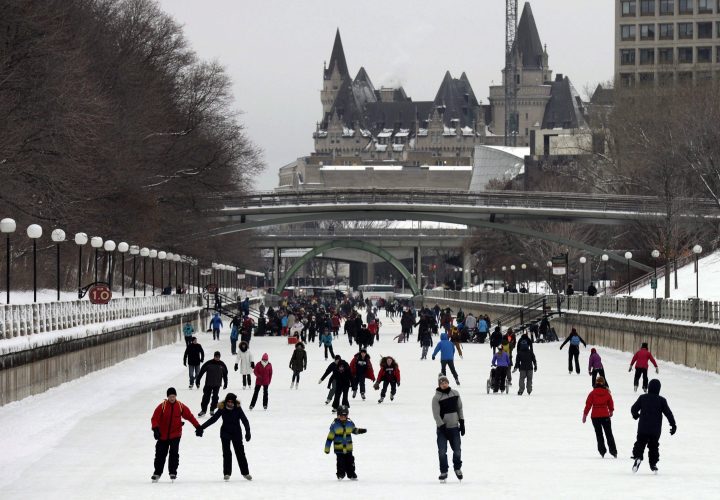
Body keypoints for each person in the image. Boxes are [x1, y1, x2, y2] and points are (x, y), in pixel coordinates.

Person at [197, 392, 252, 481]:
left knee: (240, 453)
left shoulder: (238, 408)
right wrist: (201, 427)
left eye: (231, 402)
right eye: (228, 402)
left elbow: (245, 420)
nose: (230, 403)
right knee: (226, 453)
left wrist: (248, 432)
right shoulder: (222, 408)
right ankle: (227, 473)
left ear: (234, 402)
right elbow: (213, 419)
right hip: (225, 433)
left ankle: (245, 473)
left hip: (236, 432)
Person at [150, 387, 201, 482]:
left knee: (174, 453)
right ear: (167, 397)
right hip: (163, 435)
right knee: (160, 454)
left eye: (173, 396)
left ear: (176, 396)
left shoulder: (180, 406)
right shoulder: (162, 406)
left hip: (175, 434)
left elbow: (189, 416)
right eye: (170, 396)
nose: (172, 398)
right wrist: (155, 429)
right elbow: (154, 418)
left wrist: (198, 426)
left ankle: (173, 472)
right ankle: (157, 473)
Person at [631, 379, 676, 473]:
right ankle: (653, 464)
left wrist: (635, 415)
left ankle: (638, 457)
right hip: (655, 430)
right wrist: (673, 425)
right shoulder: (662, 400)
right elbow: (668, 413)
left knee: (640, 443)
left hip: (643, 428)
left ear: (649, 387)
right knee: (653, 446)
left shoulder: (643, 397)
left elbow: (633, 409)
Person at [432, 374, 464, 482]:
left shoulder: (455, 393)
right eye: (441, 383)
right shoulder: (436, 398)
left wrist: (462, 422)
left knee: (457, 450)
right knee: (442, 451)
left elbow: (459, 408)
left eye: (445, 382)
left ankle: (457, 468)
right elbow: (436, 415)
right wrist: (442, 426)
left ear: (448, 383)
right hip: (442, 430)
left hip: (454, 427)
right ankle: (443, 471)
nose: (444, 384)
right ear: (439, 385)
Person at [324, 405, 367, 480]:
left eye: (345, 416)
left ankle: (351, 474)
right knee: (340, 463)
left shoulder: (349, 423)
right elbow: (329, 438)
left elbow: (354, 430)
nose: (343, 417)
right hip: (339, 449)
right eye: (341, 416)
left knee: (350, 461)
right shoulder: (335, 425)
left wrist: (360, 431)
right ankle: (340, 474)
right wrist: (327, 448)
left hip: (348, 448)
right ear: (338, 415)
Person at [582, 376, 617, 458]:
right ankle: (613, 451)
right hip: (605, 416)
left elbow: (588, 405)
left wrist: (585, 415)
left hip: (595, 417)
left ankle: (602, 451)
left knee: (599, 434)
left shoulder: (592, 393)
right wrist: (611, 411)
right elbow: (610, 403)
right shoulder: (607, 393)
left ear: (596, 383)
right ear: (603, 383)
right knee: (609, 434)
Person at [196, 351, 228, 417]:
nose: (217, 358)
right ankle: (203, 410)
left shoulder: (222, 364)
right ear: (214, 356)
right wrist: (198, 380)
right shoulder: (209, 363)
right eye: (216, 357)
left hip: (217, 384)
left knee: (215, 397)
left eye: (218, 357)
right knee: (205, 397)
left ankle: (212, 410)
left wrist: (225, 383)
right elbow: (202, 371)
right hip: (208, 383)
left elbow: (225, 374)